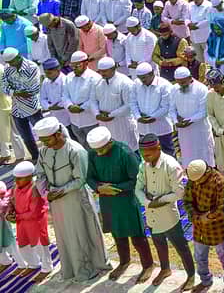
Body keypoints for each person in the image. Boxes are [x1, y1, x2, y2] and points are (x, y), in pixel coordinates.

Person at [32, 116, 109, 281]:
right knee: (64, 235)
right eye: (42, 140)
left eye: (46, 139)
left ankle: (90, 268)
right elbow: (39, 174)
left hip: (75, 199)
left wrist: (60, 191)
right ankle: (72, 268)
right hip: (56, 202)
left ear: (58, 134)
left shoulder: (75, 150)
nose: (44, 143)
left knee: (81, 234)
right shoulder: (44, 151)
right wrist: (45, 192)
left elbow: (81, 179)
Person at [85, 126, 154, 282]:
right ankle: (124, 261)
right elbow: (89, 177)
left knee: (136, 235)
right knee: (117, 233)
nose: (98, 153)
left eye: (101, 150)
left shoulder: (125, 153)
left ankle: (148, 264)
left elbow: (137, 180)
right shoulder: (93, 154)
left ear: (109, 143)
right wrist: (98, 187)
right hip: (107, 200)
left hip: (126, 200)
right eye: (96, 150)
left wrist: (115, 188)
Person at [134, 133, 196, 289]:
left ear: (158, 148)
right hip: (151, 214)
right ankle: (165, 269)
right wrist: (148, 202)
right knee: (159, 243)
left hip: (168, 216)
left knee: (181, 247)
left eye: (148, 154)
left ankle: (191, 275)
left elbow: (179, 192)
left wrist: (160, 201)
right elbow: (138, 189)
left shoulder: (171, 165)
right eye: (143, 154)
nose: (145, 158)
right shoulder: (144, 165)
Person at [183, 160, 224, 293]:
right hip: (199, 226)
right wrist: (197, 217)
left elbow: (223, 208)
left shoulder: (219, 182)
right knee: (200, 257)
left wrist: (208, 217)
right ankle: (205, 280)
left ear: (206, 173)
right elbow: (187, 201)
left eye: (199, 180)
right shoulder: (193, 179)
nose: (196, 183)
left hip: (217, 228)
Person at [8, 161, 53, 281]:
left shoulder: (35, 189)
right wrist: (10, 212)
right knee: (23, 244)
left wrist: (17, 217)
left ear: (29, 177)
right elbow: (11, 200)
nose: (17, 182)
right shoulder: (15, 187)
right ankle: (33, 264)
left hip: (35, 222)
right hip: (21, 221)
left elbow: (34, 212)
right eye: (16, 178)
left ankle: (46, 267)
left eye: (20, 179)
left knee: (39, 245)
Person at [0, 47, 43, 160]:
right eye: (8, 63)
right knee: (27, 138)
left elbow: (32, 90)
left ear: (18, 57)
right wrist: (17, 92)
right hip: (17, 109)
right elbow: (4, 88)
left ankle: (50, 156)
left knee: (43, 133)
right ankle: (36, 158)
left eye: (11, 62)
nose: (10, 64)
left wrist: (13, 90)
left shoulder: (32, 67)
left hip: (32, 107)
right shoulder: (8, 68)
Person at [171, 67, 216, 167]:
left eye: (183, 82)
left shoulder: (201, 89)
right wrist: (175, 121)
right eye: (179, 82)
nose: (181, 85)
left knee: (204, 156)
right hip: (184, 131)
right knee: (188, 157)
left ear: (190, 78)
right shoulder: (174, 89)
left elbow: (204, 112)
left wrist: (189, 120)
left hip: (200, 130)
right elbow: (171, 109)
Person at [94, 56, 139, 152]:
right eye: (100, 71)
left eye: (105, 71)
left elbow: (129, 105)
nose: (102, 74)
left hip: (122, 124)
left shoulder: (125, 82)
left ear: (113, 69)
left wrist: (111, 115)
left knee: (128, 151)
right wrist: (97, 114)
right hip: (104, 123)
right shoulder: (98, 82)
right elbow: (92, 100)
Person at [130, 62, 176, 156]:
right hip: (143, 129)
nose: (142, 80)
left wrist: (152, 117)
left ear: (152, 74)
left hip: (162, 129)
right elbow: (133, 102)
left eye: (144, 77)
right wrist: (138, 117)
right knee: (148, 157)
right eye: (140, 77)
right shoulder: (136, 84)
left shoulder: (164, 85)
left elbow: (166, 106)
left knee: (167, 155)